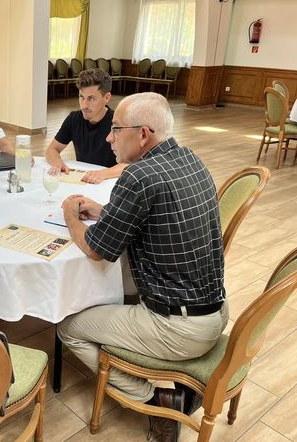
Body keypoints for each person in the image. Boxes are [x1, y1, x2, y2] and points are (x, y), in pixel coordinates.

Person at [57, 93, 228, 442]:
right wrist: (103, 212)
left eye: (116, 129)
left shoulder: (138, 176)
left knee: (68, 328)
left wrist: (70, 216)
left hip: (180, 328)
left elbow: (95, 250)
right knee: (121, 281)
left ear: (144, 135)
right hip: (216, 309)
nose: (109, 138)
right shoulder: (190, 158)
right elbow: (155, 217)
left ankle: (156, 400)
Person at [45, 68, 126, 183]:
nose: (84, 105)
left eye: (91, 98)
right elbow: (52, 149)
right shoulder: (73, 119)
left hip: (109, 182)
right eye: (81, 97)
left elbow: (132, 164)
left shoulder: (119, 123)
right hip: (84, 181)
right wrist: (58, 164)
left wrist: (103, 174)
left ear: (107, 97)